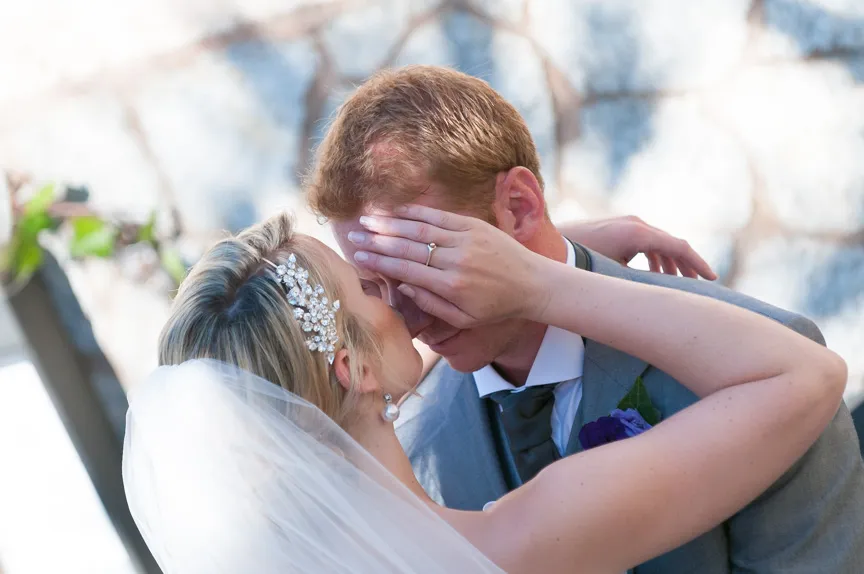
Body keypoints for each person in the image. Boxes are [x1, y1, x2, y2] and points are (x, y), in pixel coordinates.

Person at [306, 65, 864, 572]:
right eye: (377, 286)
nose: (408, 318)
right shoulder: (413, 445)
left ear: (520, 207)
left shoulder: (762, 365)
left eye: (427, 260)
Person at [122, 210, 846, 573]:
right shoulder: (512, 544)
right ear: (355, 372)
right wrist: (545, 279)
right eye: (372, 287)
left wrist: (562, 241)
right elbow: (802, 376)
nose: (405, 297)